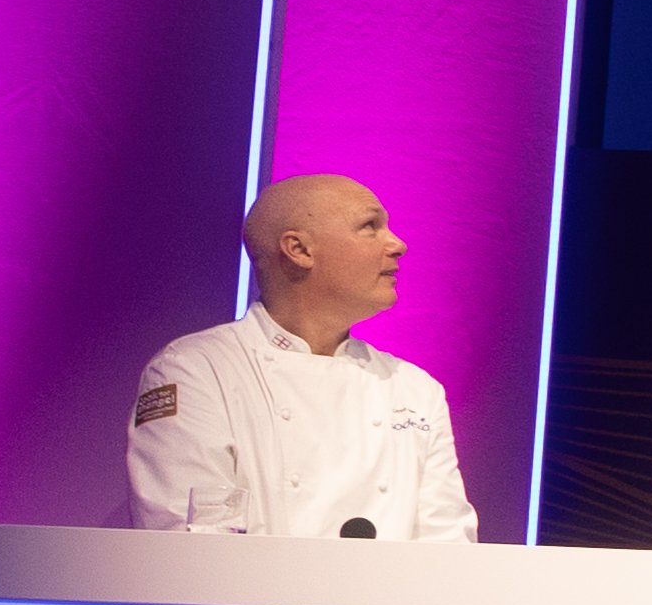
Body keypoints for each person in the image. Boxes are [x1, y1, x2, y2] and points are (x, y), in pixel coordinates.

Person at [126, 174, 478, 541]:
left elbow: (447, 546)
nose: (398, 244)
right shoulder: (195, 371)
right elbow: (192, 544)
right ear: (299, 250)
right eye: (370, 227)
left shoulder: (415, 390)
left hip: (389, 600)